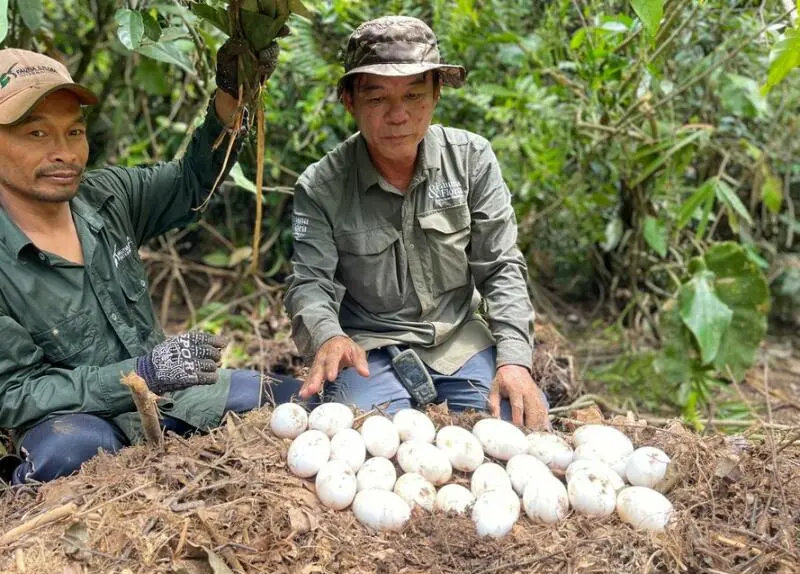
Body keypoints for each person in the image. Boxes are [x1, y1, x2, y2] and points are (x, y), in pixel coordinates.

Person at [0, 43, 300, 485]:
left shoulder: (109, 198)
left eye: (75, 132)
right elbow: (16, 395)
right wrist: (139, 374)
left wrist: (233, 95)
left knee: (294, 400)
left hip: (175, 398)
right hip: (81, 421)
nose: (64, 153)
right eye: (37, 134)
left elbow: (191, 181)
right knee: (66, 456)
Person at [284, 16, 549, 430]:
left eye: (414, 96)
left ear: (436, 95)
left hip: (460, 340)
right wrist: (328, 337)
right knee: (362, 437)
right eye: (376, 99)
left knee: (513, 426)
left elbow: (501, 268)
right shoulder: (321, 186)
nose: (398, 115)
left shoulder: (471, 160)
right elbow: (310, 283)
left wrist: (515, 359)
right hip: (369, 349)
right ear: (350, 101)